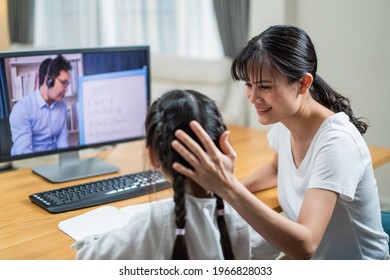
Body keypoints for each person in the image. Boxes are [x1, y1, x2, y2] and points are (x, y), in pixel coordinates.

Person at [171, 25, 390, 260]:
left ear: (304, 83)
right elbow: (277, 168)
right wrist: (224, 190)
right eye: (248, 84)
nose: (253, 97)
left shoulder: (337, 143)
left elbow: (306, 245)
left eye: (265, 86)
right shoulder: (285, 120)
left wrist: (229, 187)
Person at [73, 89, 280, 260]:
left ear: (153, 156)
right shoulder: (241, 215)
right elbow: (272, 245)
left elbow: (87, 259)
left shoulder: (156, 223)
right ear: (222, 148)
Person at [9, 54, 71, 155]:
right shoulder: (22, 109)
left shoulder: (62, 106)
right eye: (63, 83)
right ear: (48, 81)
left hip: (53, 163)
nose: (66, 89)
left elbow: (62, 143)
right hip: (28, 165)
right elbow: (24, 154)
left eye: (67, 84)